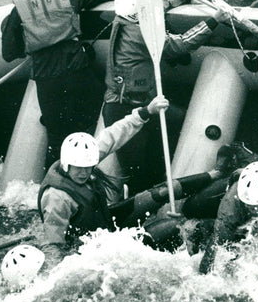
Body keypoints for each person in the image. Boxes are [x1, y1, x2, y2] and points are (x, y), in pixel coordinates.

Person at [102, 0, 232, 194]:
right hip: (124, 109)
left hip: (145, 104)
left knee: (178, 121)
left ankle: (165, 174)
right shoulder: (138, 33)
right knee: (138, 172)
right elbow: (180, 45)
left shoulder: (126, 16)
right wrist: (214, 20)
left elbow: (160, 1)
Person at [37, 94, 179, 272]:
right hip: (90, 251)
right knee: (170, 228)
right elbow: (53, 246)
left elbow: (113, 135)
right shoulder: (57, 198)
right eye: (79, 168)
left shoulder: (84, 159)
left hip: (103, 227)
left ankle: (214, 174)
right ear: (66, 165)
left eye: (89, 167)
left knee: (165, 193)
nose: (84, 173)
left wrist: (145, 112)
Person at [0, 0, 117, 169]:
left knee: (57, 141)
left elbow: (9, 54)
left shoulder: (18, 10)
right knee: (93, 125)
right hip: (80, 74)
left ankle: (54, 184)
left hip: (49, 85)